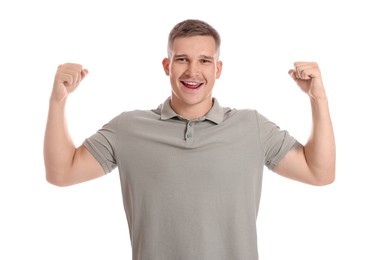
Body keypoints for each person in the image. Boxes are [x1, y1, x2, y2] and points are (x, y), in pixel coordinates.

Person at [44, 19, 336, 260]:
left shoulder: (251, 127)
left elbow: (319, 172)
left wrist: (318, 98)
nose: (193, 71)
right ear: (166, 66)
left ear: (217, 69)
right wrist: (58, 101)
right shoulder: (129, 128)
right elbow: (62, 172)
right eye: (181, 59)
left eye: (204, 61)